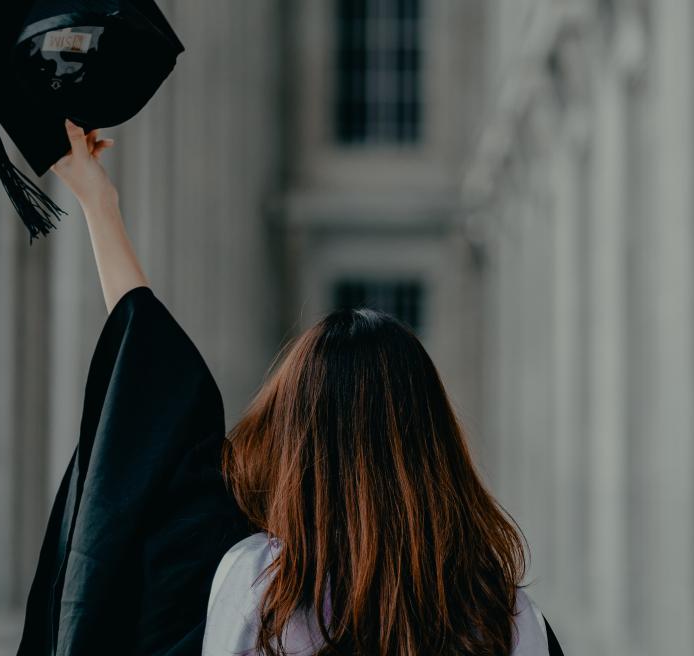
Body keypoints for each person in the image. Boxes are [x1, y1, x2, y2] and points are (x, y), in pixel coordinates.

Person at [50, 120, 564, 656]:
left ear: (296, 444)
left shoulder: (255, 592)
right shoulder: (508, 619)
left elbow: (156, 389)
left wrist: (99, 203)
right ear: (434, 447)